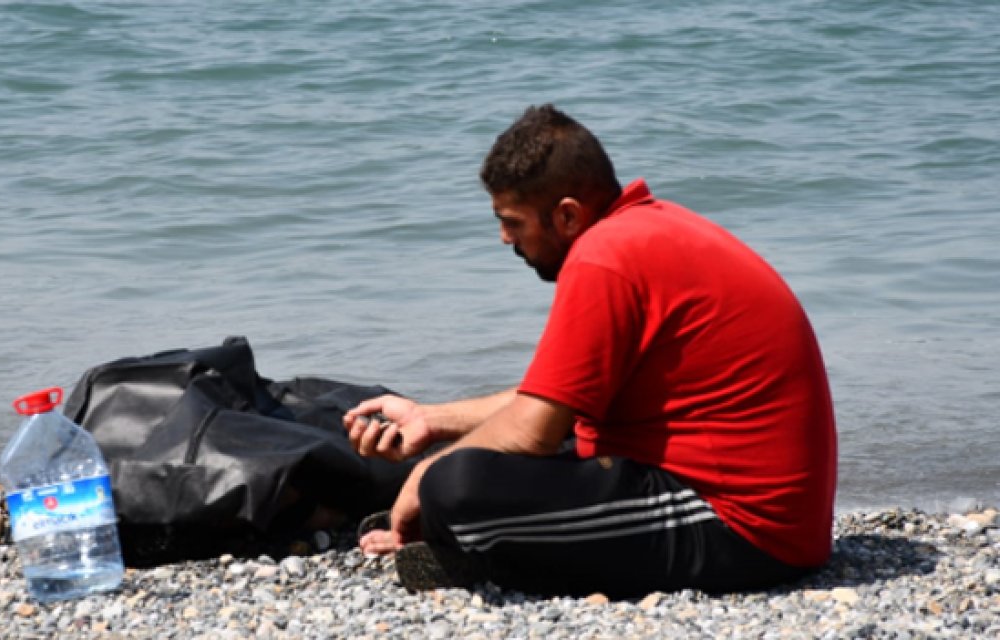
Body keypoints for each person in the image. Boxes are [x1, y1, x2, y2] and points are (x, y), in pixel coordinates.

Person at [344, 104, 837, 597]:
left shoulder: (604, 258)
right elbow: (554, 399)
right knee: (529, 447)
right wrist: (432, 422)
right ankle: (485, 545)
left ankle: (490, 563)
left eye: (512, 221)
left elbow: (532, 431)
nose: (504, 238)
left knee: (455, 486)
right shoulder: (643, 230)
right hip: (759, 511)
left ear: (566, 215)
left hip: (744, 528)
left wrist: (427, 474)